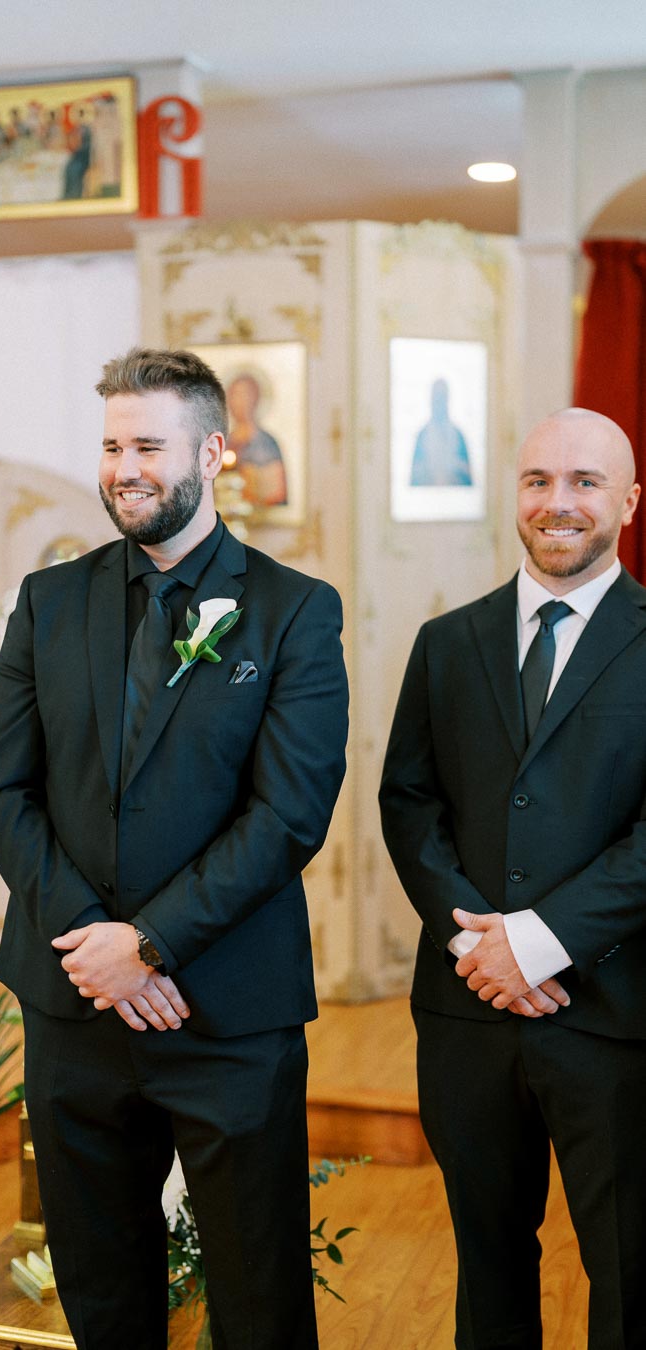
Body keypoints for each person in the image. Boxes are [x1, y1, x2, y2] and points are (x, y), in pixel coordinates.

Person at [0, 346, 348, 1350]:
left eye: (148, 444)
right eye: (109, 446)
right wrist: (97, 943)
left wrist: (150, 945)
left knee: (259, 1296)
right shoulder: (49, 602)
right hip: (74, 1002)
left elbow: (289, 815)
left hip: (225, 1007)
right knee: (101, 1294)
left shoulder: (295, 610)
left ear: (215, 450)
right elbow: (2, 793)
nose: (123, 467)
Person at [379, 407, 646, 1349]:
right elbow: (407, 803)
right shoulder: (447, 643)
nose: (557, 502)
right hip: (468, 1011)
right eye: (538, 481)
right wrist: (477, 944)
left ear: (628, 501)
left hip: (613, 1013)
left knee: (626, 1267)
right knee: (488, 1259)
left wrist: (534, 942)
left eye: (583, 483)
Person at [226, 372, 289, 507]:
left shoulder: (267, 443)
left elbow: (276, 491)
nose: (240, 402)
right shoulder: (224, 443)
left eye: (245, 395)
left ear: (256, 399)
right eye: (235, 395)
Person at [409, 377, 473, 487]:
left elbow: (468, 479)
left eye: (442, 397)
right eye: (436, 398)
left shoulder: (458, 436)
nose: (439, 402)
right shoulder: (422, 436)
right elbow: (414, 479)